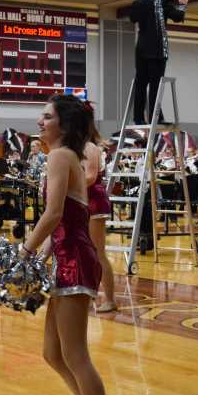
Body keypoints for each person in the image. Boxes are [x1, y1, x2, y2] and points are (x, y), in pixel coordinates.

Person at [21, 95, 121, 395]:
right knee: (53, 353)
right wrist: (42, 255)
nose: (39, 122)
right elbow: (61, 222)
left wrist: (25, 252)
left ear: (64, 124)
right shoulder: (63, 155)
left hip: (76, 261)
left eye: (46, 117)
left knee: (76, 355)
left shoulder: (61, 156)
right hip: (65, 257)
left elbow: (54, 214)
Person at [129, 0, 188, 126]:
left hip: (141, 49)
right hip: (157, 50)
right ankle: (156, 117)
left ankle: (138, 118)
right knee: (156, 85)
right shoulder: (163, 2)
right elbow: (178, 17)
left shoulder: (139, 3)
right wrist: (182, 4)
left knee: (141, 83)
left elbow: (132, 17)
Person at [83, 115, 117, 313]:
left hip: (94, 201)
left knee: (98, 252)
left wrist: (65, 182)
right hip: (83, 200)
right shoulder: (78, 147)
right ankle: (88, 296)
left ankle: (110, 299)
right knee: (86, 253)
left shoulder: (89, 147)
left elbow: (90, 177)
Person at [184, 147, 198, 214]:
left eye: (189, 152)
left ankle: (194, 210)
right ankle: (190, 210)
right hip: (188, 178)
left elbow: (195, 169)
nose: (188, 153)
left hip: (195, 177)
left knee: (194, 194)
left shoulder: (195, 159)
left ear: (192, 152)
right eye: (187, 152)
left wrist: (188, 168)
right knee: (189, 194)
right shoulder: (186, 159)